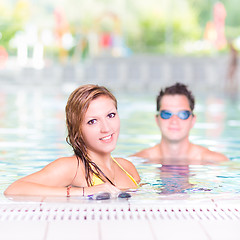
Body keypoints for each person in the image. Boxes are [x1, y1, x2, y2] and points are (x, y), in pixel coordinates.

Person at [5, 84, 140, 197]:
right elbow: (14, 189)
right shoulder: (73, 167)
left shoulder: (127, 167)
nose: (106, 128)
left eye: (111, 115)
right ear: (77, 129)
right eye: (92, 121)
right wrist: (84, 191)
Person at [132, 83, 229, 163]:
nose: (174, 121)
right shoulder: (138, 161)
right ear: (157, 120)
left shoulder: (217, 161)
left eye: (183, 114)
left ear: (193, 120)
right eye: (166, 114)